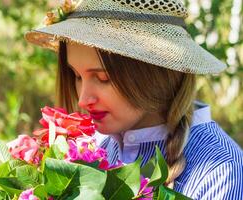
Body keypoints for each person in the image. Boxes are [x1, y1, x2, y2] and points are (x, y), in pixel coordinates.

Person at [25, 0, 243, 199]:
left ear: (156, 73)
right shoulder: (92, 148)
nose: (83, 100)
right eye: (77, 76)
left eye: (103, 78)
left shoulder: (220, 169)